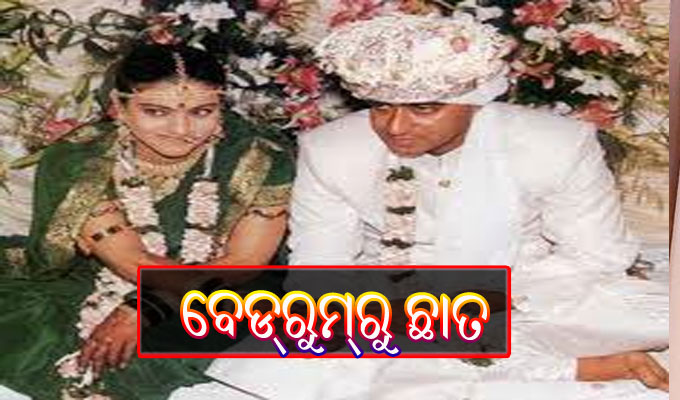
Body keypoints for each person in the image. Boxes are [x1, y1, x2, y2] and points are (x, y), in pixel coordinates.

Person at [0, 43, 294, 399]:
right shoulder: (82, 160)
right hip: (99, 274)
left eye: (203, 111)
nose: (182, 129)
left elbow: (244, 262)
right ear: (119, 106)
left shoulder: (258, 158)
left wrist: (145, 308)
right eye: (156, 111)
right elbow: (132, 260)